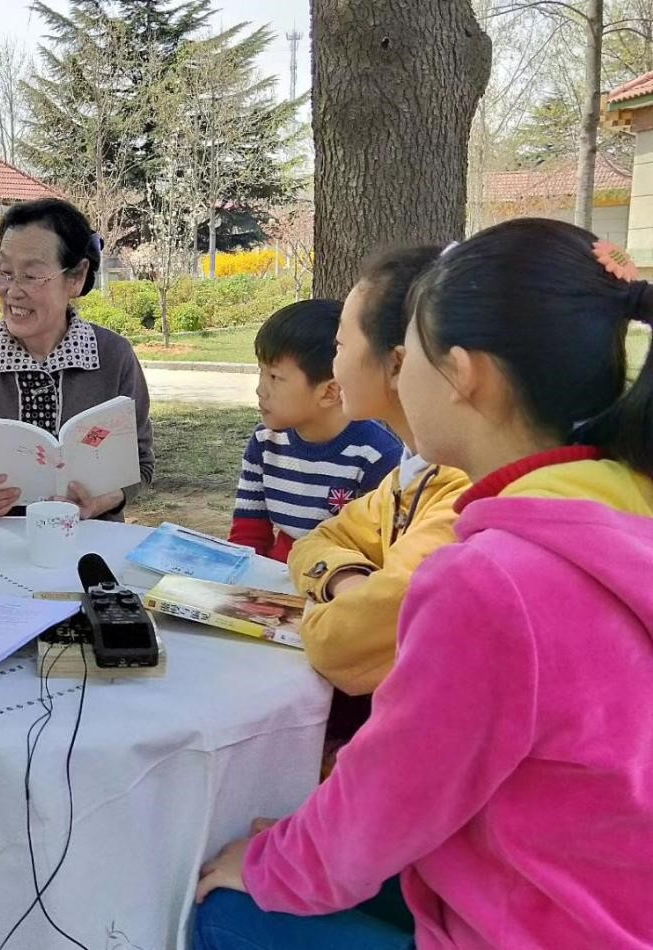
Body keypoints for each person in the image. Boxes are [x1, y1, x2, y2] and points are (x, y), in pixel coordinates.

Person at [194, 218, 653, 949]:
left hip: (528, 925)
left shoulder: (493, 579)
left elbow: (389, 798)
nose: (395, 366)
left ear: (464, 374)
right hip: (597, 901)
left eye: (409, 349)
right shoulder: (613, 508)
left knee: (217, 911)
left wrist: (270, 863)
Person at [288, 249, 469, 729]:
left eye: (341, 347)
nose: (334, 365)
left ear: (397, 364)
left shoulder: (469, 501)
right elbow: (316, 541)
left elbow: (338, 643)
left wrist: (344, 605)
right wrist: (350, 583)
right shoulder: (412, 475)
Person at [0, 197, 153, 522]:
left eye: (31, 276)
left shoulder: (113, 356)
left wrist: (98, 503)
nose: (12, 290)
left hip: (87, 541)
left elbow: (140, 464)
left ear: (75, 277)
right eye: (5, 272)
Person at [228, 299, 400, 561]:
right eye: (260, 372)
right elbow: (247, 537)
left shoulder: (377, 458)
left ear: (330, 391)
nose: (261, 389)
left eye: (275, 377)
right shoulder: (264, 443)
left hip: (339, 586)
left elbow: (376, 555)